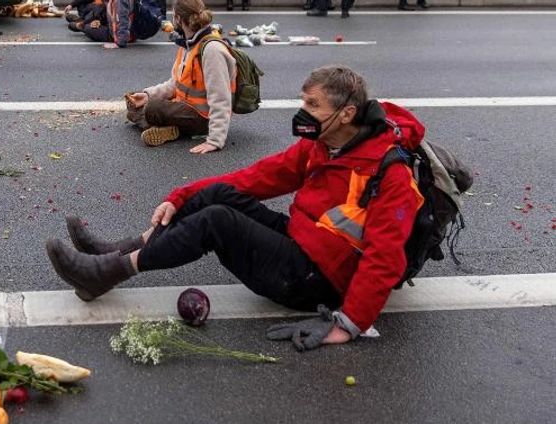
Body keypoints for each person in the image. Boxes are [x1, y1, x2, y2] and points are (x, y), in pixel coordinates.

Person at [45, 65, 427, 351]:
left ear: (346, 113)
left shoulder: (390, 173)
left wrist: (349, 324)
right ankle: (120, 249)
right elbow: (257, 177)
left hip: (316, 279)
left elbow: (385, 256)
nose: (303, 112)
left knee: (217, 221)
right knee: (216, 196)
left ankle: (107, 272)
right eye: (303, 101)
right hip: (300, 243)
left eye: (313, 105)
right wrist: (182, 194)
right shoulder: (325, 143)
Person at [124, 0, 235, 154]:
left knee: (152, 108)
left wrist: (215, 140)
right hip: (183, 106)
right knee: (133, 106)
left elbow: (221, 98)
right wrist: (147, 94)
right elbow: (174, 84)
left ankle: (175, 128)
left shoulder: (212, 50)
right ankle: (172, 129)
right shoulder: (188, 44)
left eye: (173, 15)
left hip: (203, 117)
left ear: (179, 19)